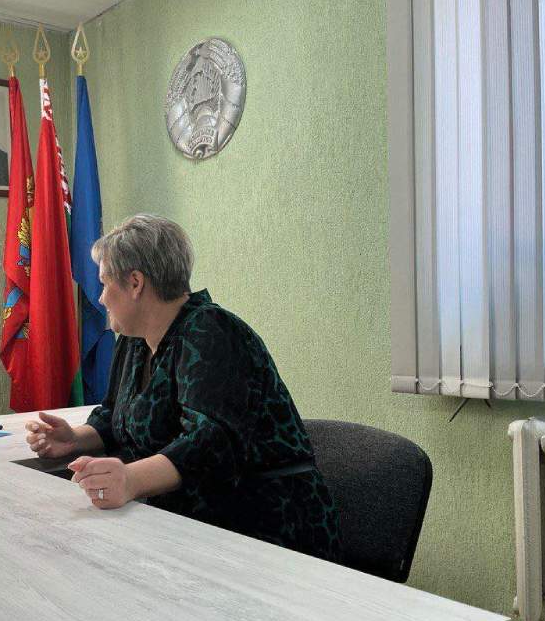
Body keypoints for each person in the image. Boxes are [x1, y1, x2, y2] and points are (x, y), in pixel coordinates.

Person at [25, 214, 341, 562]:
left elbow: (209, 445)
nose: (100, 298)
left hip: (266, 529)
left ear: (135, 283)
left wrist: (129, 479)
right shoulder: (134, 339)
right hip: (186, 522)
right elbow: (115, 415)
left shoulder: (211, 331)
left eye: (104, 284)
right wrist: (74, 439)